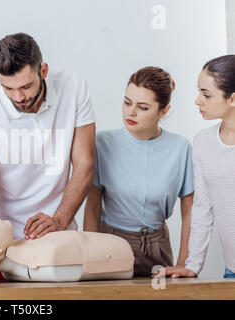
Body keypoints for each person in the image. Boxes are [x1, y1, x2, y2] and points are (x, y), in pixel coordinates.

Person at [0, 33, 96, 283]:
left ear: (43, 70)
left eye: (25, 86)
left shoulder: (74, 87)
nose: (18, 97)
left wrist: (59, 219)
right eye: (8, 88)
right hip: (1, 249)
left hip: (59, 238)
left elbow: (84, 166)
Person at [84, 67, 194, 277]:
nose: (131, 112)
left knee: (160, 298)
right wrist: (89, 255)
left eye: (142, 107)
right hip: (110, 248)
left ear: (164, 110)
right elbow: (92, 209)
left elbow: (190, 213)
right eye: (127, 102)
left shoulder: (180, 148)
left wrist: (184, 264)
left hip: (158, 250)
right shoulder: (102, 144)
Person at [161, 55, 235, 279]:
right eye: (199, 91)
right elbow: (203, 208)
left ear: (232, 99)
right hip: (231, 271)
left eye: (206, 94)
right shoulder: (203, 142)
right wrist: (192, 265)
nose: (198, 101)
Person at [0, 215, 134, 282]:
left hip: (118, 253)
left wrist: (59, 219)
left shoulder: (25, 254)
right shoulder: (25, 261)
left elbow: (85, 166)